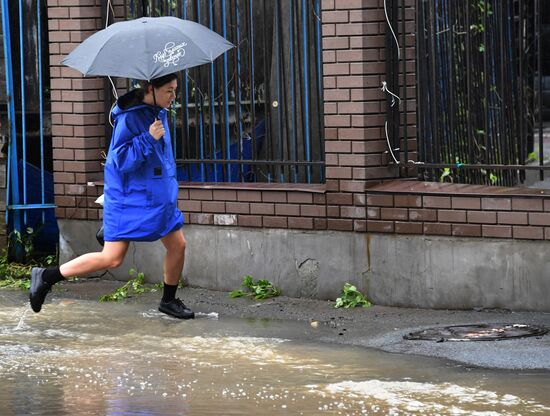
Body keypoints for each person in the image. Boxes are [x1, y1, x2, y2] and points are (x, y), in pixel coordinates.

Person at [29, 73, 194, 319]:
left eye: (175, 90)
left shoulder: (157, 111)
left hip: (155, 198)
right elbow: (121, 162)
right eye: (169, 91)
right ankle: (46, 276)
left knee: (178, 245)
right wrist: (149, 138)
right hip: (130, 199)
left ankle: (168, 301)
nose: (174, 96)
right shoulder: (129, 117)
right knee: (113, 259)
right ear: (151, 88)